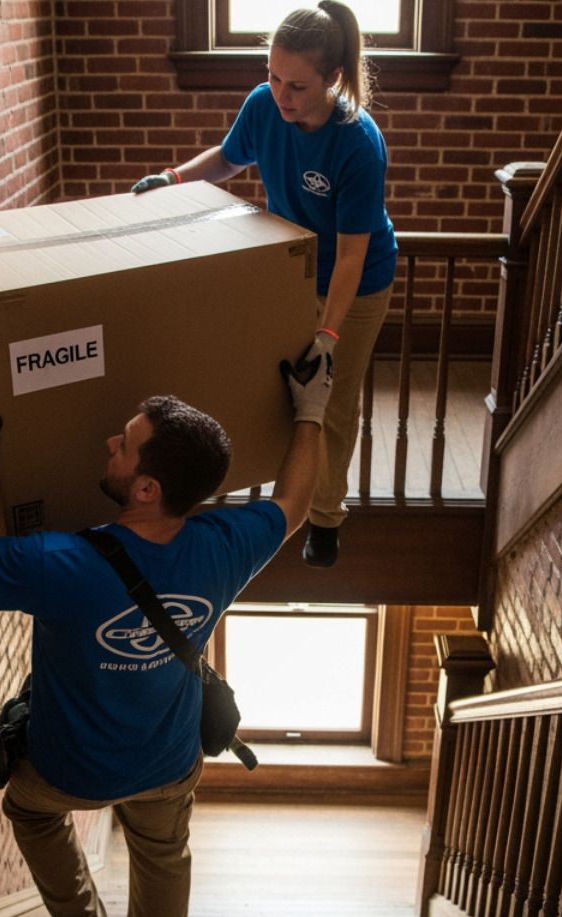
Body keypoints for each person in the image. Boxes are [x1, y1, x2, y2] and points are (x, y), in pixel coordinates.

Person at [0, 348, 332, 917]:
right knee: (164, 857)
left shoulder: (58, 562)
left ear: (146, 488)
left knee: (30, 812)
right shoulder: (225, 545)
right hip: (166, 765)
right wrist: (311, 413)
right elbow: (294, 502)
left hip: (69, 768)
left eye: (126, 443)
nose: (111, 441)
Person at [132, 0, 396, 570]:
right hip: (291, 272)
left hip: (358, 283)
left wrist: (328, 334)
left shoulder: (358, 142)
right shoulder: (262, 107)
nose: (281, 95)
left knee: (329, 401)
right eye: (273, 77)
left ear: (333, 79)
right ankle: (268, 488)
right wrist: (173, 178)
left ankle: (324, 518)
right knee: (273, 386)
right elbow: (228, 160)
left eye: (297, 86)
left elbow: (352, 255)